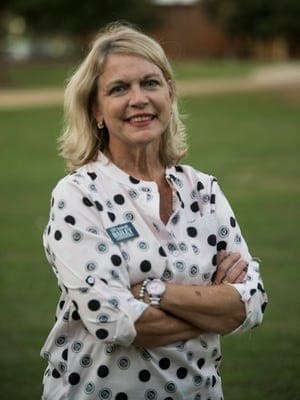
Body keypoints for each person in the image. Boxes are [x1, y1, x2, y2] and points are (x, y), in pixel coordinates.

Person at [41, 22, 268, 400]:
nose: (139, 99)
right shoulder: (78, 196)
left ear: (170, 94)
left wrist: (151, 291)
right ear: (96, 110)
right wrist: (215, 305)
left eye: (150, 83)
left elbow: (253, 303)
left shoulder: (203, 190)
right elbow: (112, 319)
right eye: (119, 88)